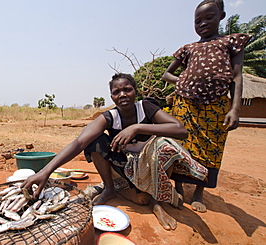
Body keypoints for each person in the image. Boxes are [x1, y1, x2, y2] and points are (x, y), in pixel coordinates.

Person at [22, 73, 208, 230]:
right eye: (116, 92)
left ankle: (157, 201)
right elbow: (79, 142)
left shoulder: (145, 107)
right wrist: (45, 171)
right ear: (111, 97)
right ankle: (109, 188)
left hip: (152, 167)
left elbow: (180, 130)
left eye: (127, 89)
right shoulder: (110, 117)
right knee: (94, 140)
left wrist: (137, 128)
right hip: (125, 167)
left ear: (135, 91)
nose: (123, 95)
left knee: (164, 144)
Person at [162, 0, 250, 213]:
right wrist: (182, 81)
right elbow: (167, 74)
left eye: (209, 18)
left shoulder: (230, 43)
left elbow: (237, 77)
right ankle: (179, 186)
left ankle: (199, 191)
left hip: (216, 105)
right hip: (185, 103)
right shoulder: (189, 48)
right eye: (197, 20)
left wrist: (235, 108)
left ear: (222, 16)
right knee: (181, 146)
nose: (202, 23)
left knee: (211, 148)